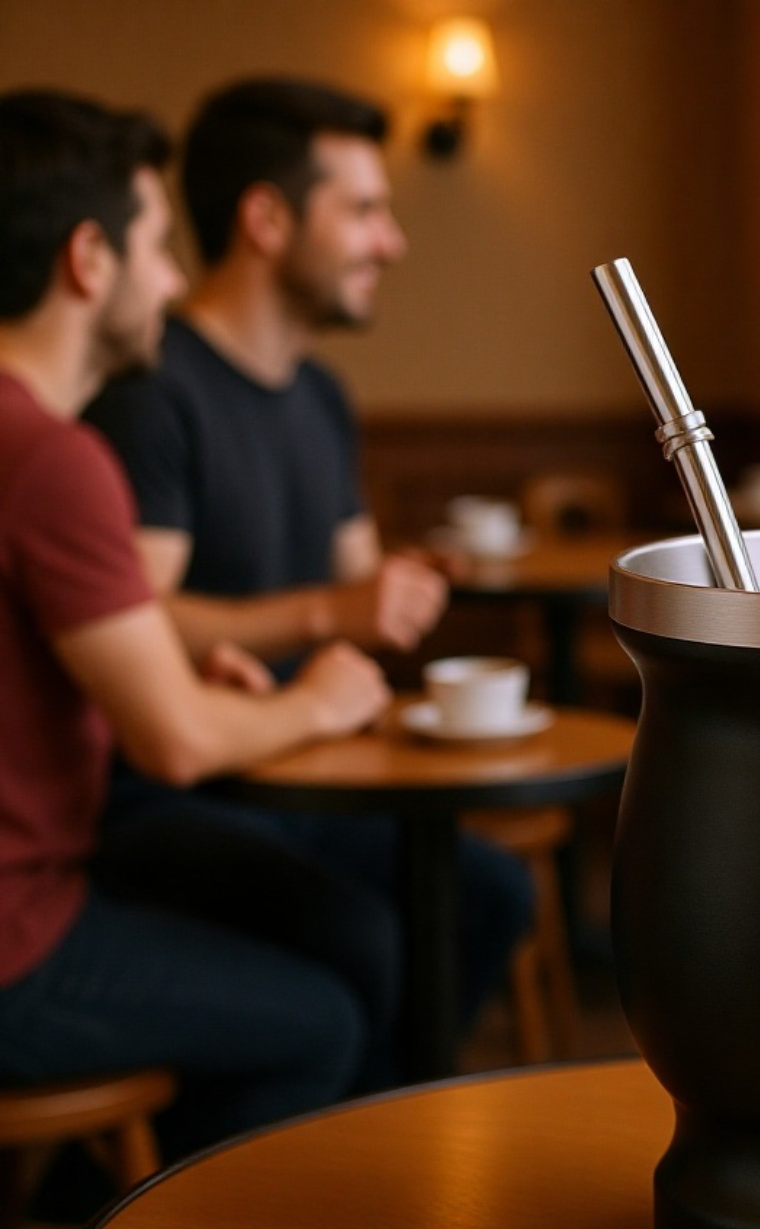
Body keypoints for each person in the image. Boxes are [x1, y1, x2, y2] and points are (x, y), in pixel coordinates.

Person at [85, 79, 534, 1079]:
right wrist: (331, 610)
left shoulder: (322, 396)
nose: (392, 243)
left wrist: (398, 587)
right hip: (176, 793)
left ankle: (378, 1131)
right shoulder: (154, 391)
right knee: (362, 933)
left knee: (492, 893)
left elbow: (354, 583)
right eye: (365, 210)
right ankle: (312, 1148)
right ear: (266, 219)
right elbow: (138, 615)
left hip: (307, 770)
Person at [0, 90, 391, 1156]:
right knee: (321, 1021)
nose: (174, 281)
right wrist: (318, 700)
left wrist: (181, 681)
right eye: (156, 246)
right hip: (22, 941)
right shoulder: (53, 459)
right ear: (88, 261)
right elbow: (172, 742)